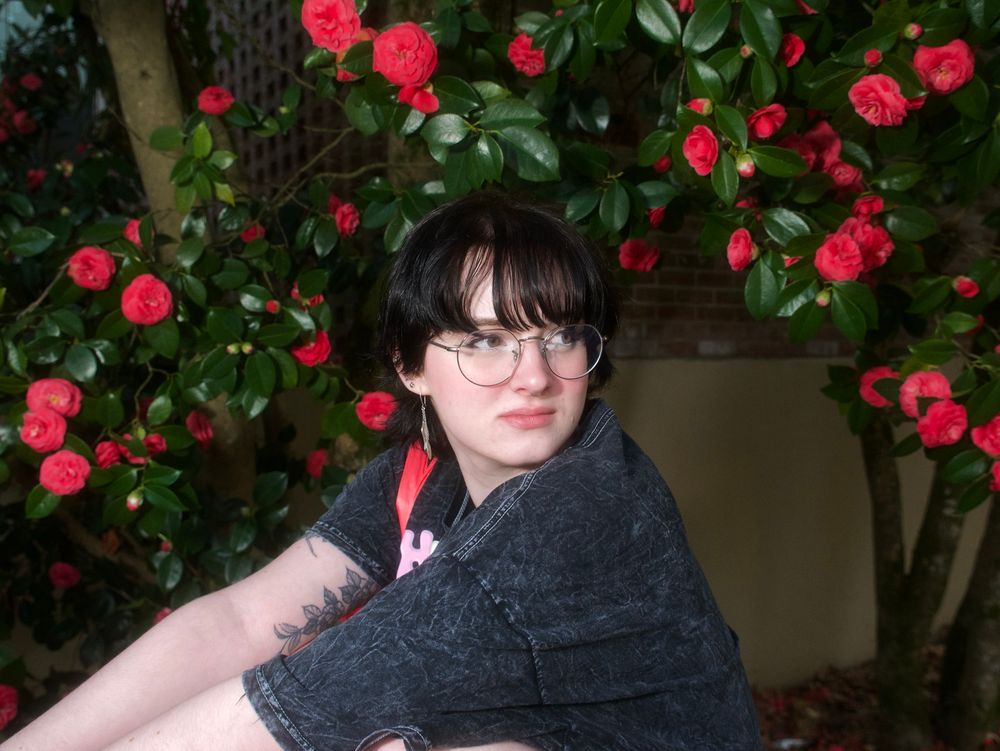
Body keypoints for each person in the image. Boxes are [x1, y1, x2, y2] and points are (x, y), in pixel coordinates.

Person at [1, 193, 761, 750]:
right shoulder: (424, 473)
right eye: (487, 341)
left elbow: (282, 711)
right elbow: (238, 622)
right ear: (410, 365)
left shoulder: (578, 513)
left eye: (561, 336)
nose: (535, 375)